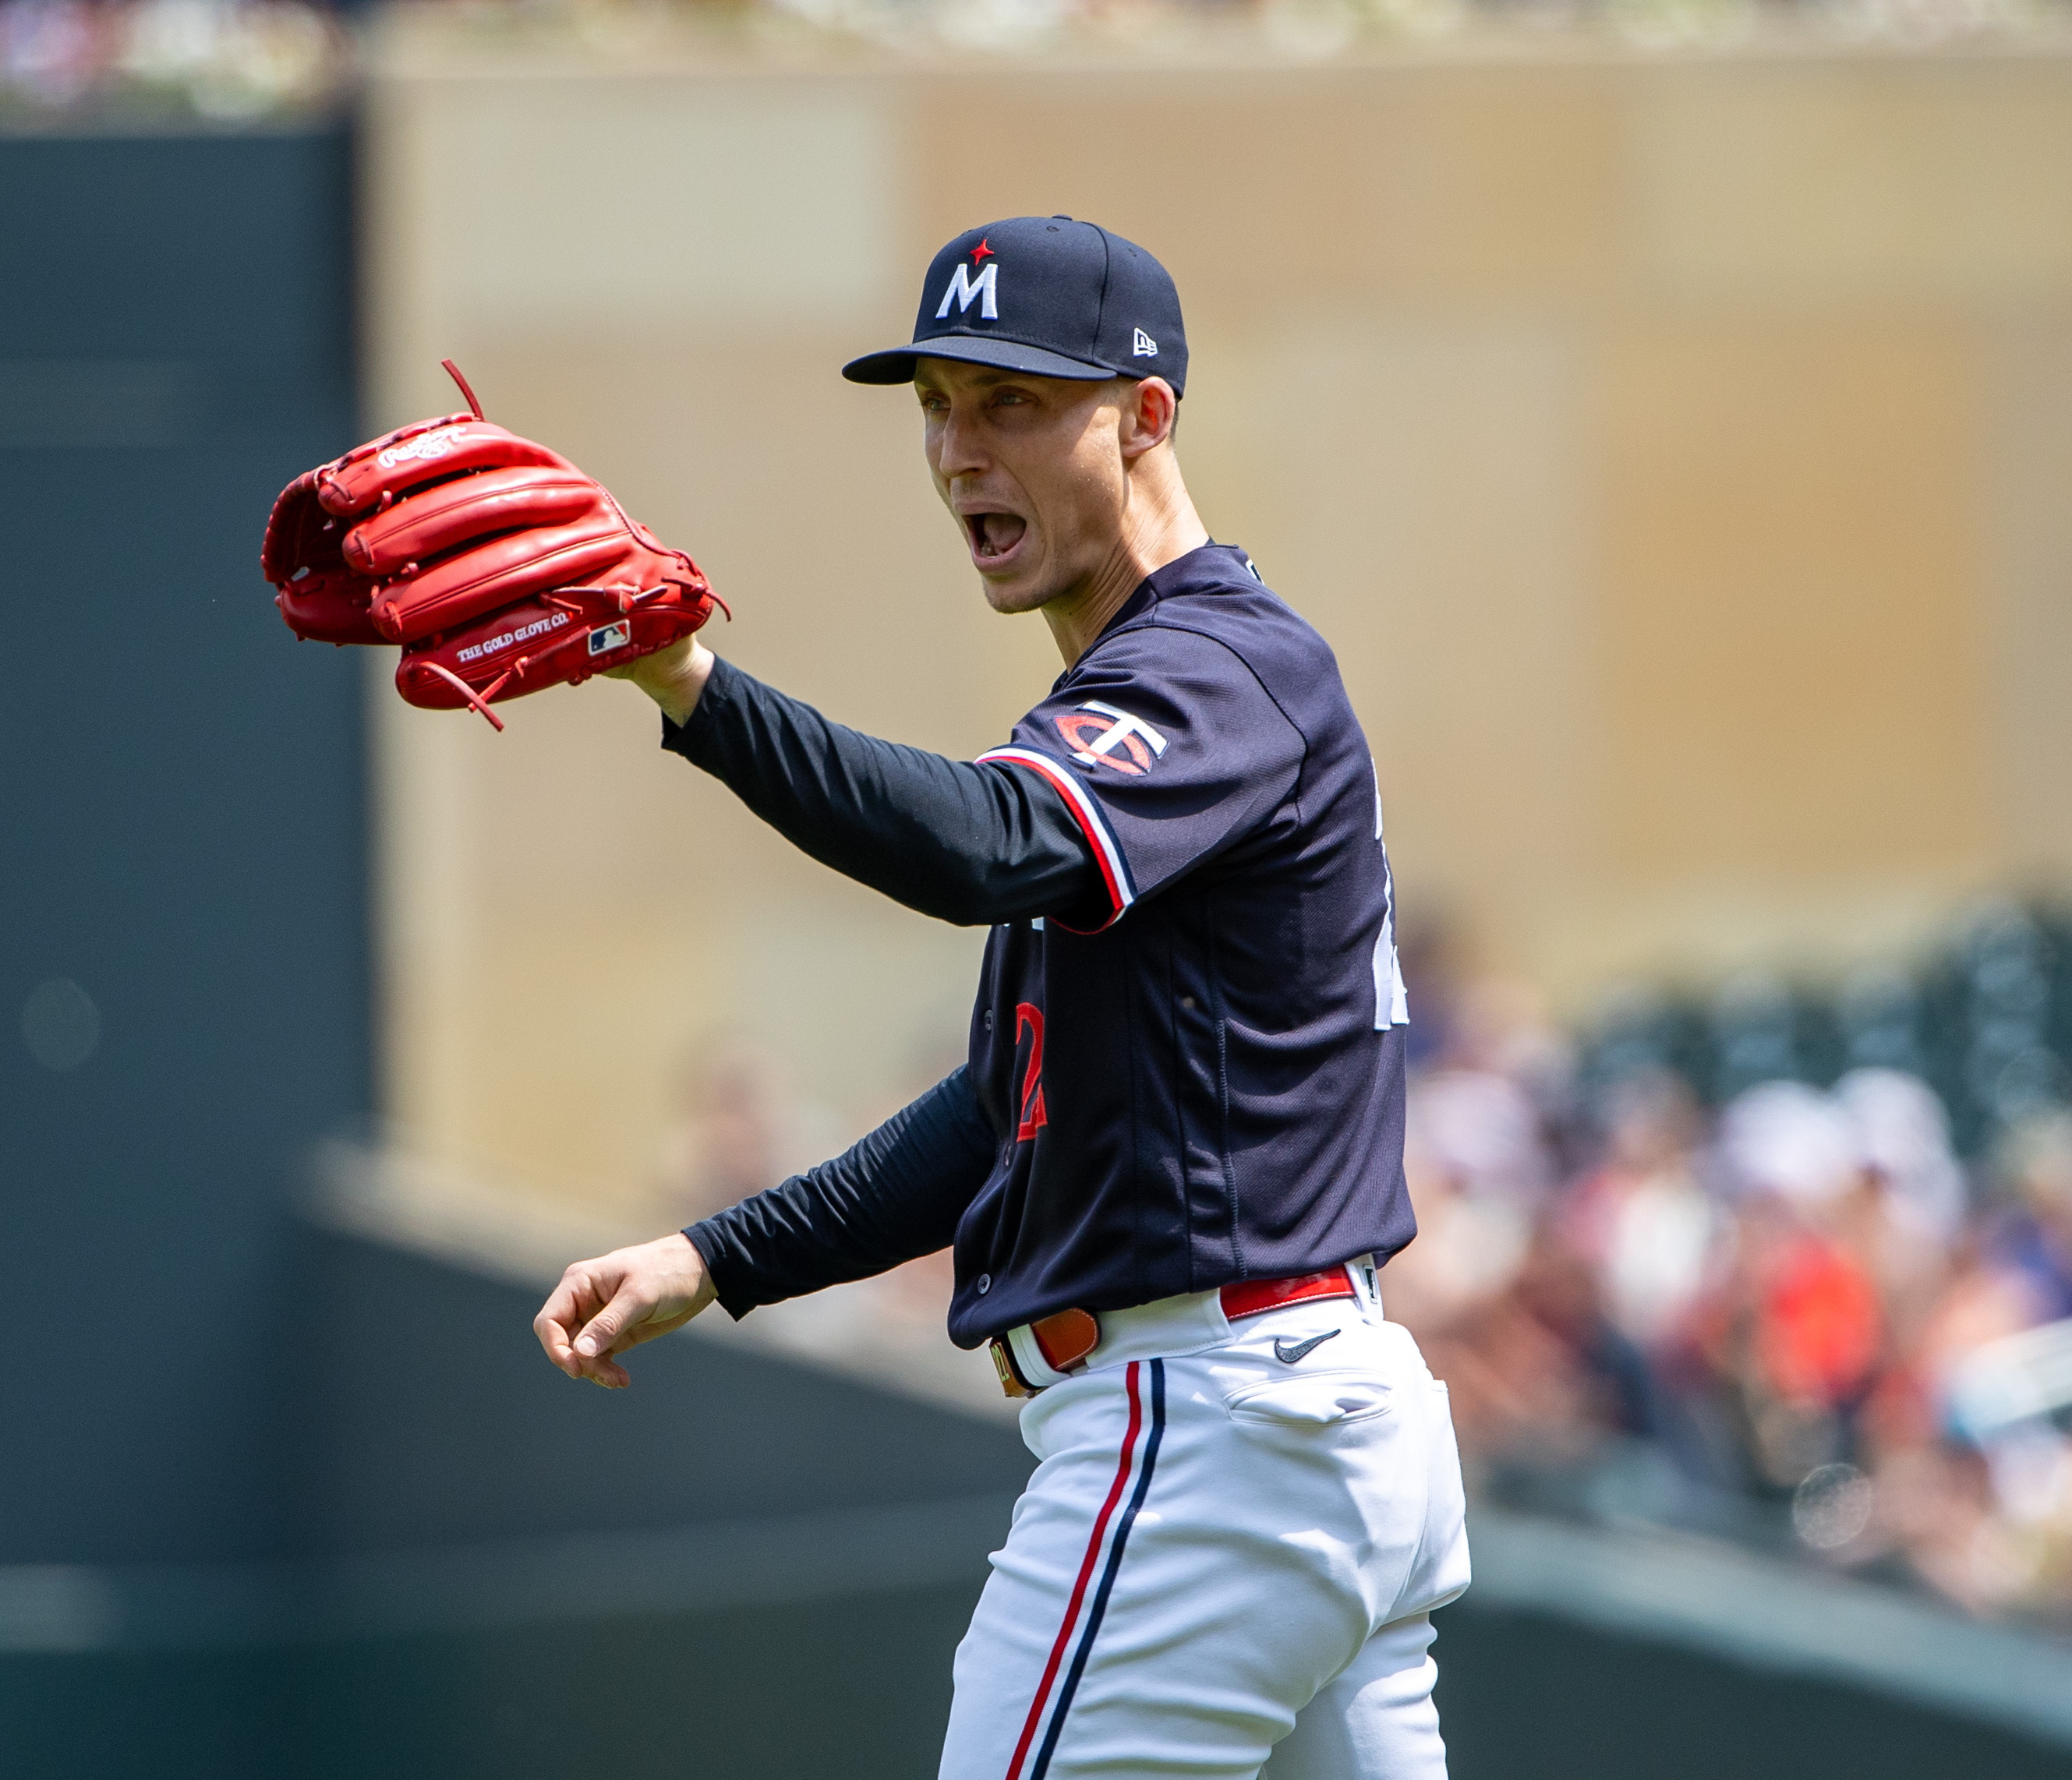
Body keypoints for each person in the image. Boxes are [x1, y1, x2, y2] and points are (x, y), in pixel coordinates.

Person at [530, 216, 1469, 1780]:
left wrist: (692, 684)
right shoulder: (1148, 694)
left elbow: (985, 841)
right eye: (938, 405)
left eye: (1015, 403)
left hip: (1207, 1429)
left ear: (1148, 416)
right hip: (1307, 1417)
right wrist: (717, 1253)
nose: (962, 450)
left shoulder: (1213, 669)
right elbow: (1009, 1113)